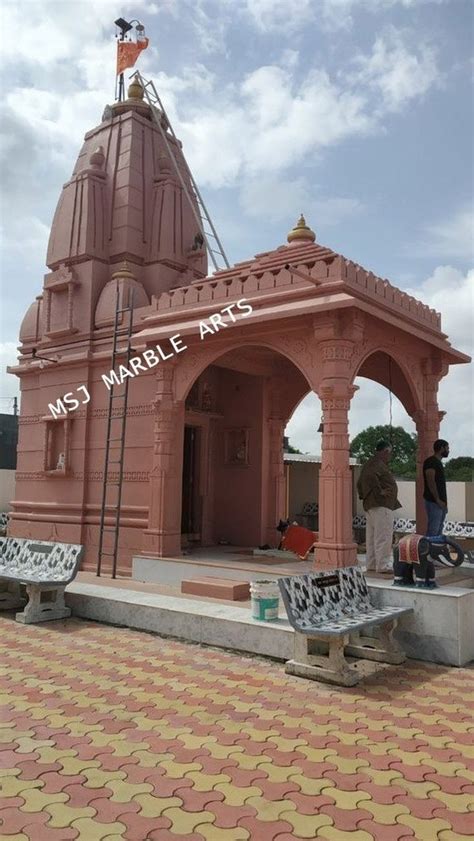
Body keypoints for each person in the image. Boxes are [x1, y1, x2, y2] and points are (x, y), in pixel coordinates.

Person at [357, 440, 401, 574]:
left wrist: (365, 495)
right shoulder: (377, 464)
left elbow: (360, 482)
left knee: (372, 537)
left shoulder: (369, 463)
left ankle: (372, 564)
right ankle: (383, 565)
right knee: (383, 536)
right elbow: (371, 477)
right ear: (385, 451)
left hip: (371, 505)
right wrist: (379, 491)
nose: (390, 456)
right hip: (381, 505)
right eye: (389, 453)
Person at [423, 439, 449, 536]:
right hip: (434, 502)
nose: (448, 450)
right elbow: (431, 481)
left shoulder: (437, 463)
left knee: (438, 530)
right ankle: (428, 550)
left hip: (440, 503)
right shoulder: (431, 462)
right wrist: (437, 500)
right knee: (433, 530)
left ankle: (435, 549)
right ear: (441, 448)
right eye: (447, 448)